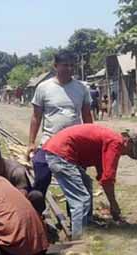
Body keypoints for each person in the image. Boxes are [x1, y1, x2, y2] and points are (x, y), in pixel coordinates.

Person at [43, 124, 137, 239]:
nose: (124, 154)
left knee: (86, 183)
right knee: (81, 199)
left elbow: (103, 174)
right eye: (128, 151)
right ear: (128, 142)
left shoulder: (109, 139)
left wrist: (111, 201)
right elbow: (108, 179)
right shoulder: (116, 142)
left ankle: (87, 222)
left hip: (59, 151)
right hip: (61, 153)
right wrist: (113, 204)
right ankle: (78, 238)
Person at [27, 51, 93, 200]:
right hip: (49, 142)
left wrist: (90, 141)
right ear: (56, 66)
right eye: (65, 65)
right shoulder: (43, 88)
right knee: (41, 175)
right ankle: (37, 211)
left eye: (72, 65)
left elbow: (87, 115)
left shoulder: (81, 88)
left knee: (76, 182)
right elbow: (36, 117)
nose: (69, 69)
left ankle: (77, 219)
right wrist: (31, 142)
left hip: (74, 145)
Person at [0, 141, 45, 214]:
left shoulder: (16, 171)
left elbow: (22, 194)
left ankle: (37, 218)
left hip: (16, 203)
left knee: (36, 196)